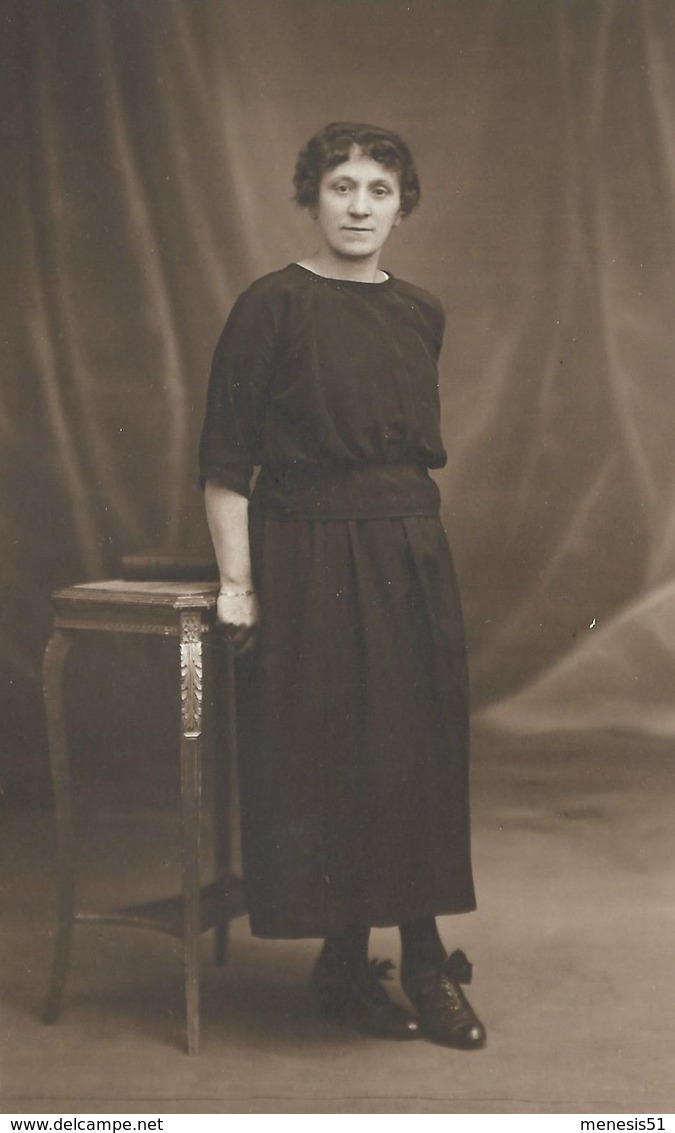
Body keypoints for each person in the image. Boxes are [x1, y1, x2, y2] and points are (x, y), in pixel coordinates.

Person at [199, 121, 485, 1050]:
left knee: (416, 755)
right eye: (341, 188)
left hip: (407, 550)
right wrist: (239, 585)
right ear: (311, 197)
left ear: (403, 206)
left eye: (378, 190)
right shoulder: (269, 307)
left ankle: (423, 957)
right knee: (334, 756)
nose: (359, 207)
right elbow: (225, 463)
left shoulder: (419, 311)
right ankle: (348, 957)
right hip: (307, 554)